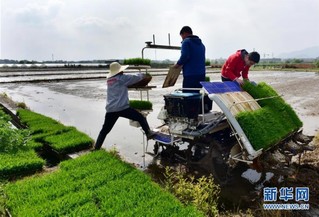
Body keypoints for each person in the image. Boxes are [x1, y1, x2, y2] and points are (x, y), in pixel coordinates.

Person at [93, 62, 155, 150]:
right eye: (121, 71)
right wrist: (144, 75)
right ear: (119, 71)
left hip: (110, 109)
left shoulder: (109, 80)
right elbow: (135, 77)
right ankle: (148, 133)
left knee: (105, 130)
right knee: (140, 117)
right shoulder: (121, 78)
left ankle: (96, 148)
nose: (123, 72)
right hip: (122, 108)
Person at [174, 26, 206, 91]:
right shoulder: (201, 44)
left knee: (188, 96)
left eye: (182, 36)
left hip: (190, 75)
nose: (182, 39)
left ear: (184, 33)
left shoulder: (186, 42)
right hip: (201, 75)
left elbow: (185, 56)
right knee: (197, 96)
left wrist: (177, 64)